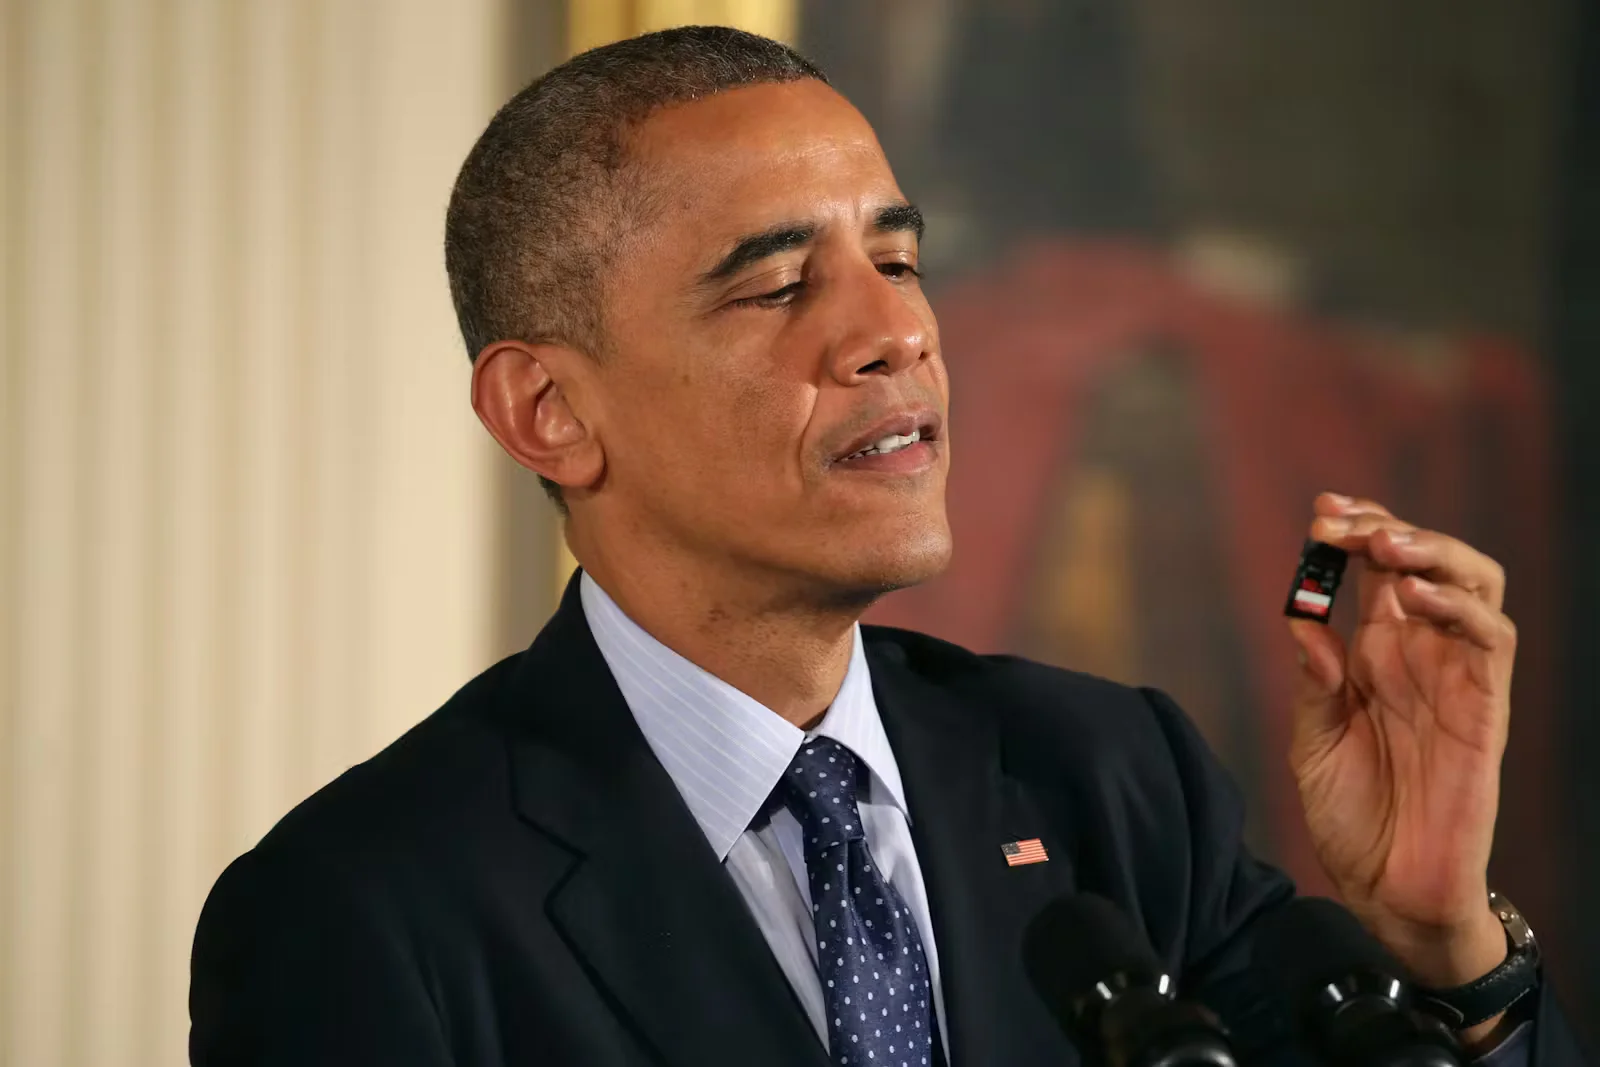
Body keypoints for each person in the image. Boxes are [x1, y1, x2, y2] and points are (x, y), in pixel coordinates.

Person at [188, 27, 1587, 1067]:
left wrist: (1438, 945)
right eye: (779, 284)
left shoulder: (1111, 777)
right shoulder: (361, 910)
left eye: (900, 262)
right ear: (549, 413)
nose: (896, 331)